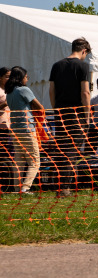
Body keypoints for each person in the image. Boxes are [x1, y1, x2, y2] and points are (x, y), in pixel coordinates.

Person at [48, 37, 93, 197]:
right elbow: (85, 92)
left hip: (60, 113)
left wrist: (55, 110)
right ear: (84, 51)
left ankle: (60, 185)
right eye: (86, 54)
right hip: (76, 114)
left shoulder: (56, 65)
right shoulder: (83, 66)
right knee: (71, 151)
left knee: (61, 150)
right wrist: (87, 116)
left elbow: (51, 90)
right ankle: (65, 188)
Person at [5, 66, 45, 194]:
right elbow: (39, 106)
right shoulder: (24, 90)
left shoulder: (9, 92)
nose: (27, 79)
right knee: (35, 161)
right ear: (20, 78)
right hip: (27, 129)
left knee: (19, 160)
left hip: (15, 130)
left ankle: (17, 188)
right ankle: (26, 187)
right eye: (26, 77)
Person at [0, 66, 15, 194]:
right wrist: (5, 103)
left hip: (8, 126)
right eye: (6, 76)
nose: (9, 79)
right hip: (1, 127)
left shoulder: (8, 90)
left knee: (8, 155)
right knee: (3, 155)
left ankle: (7, 183)